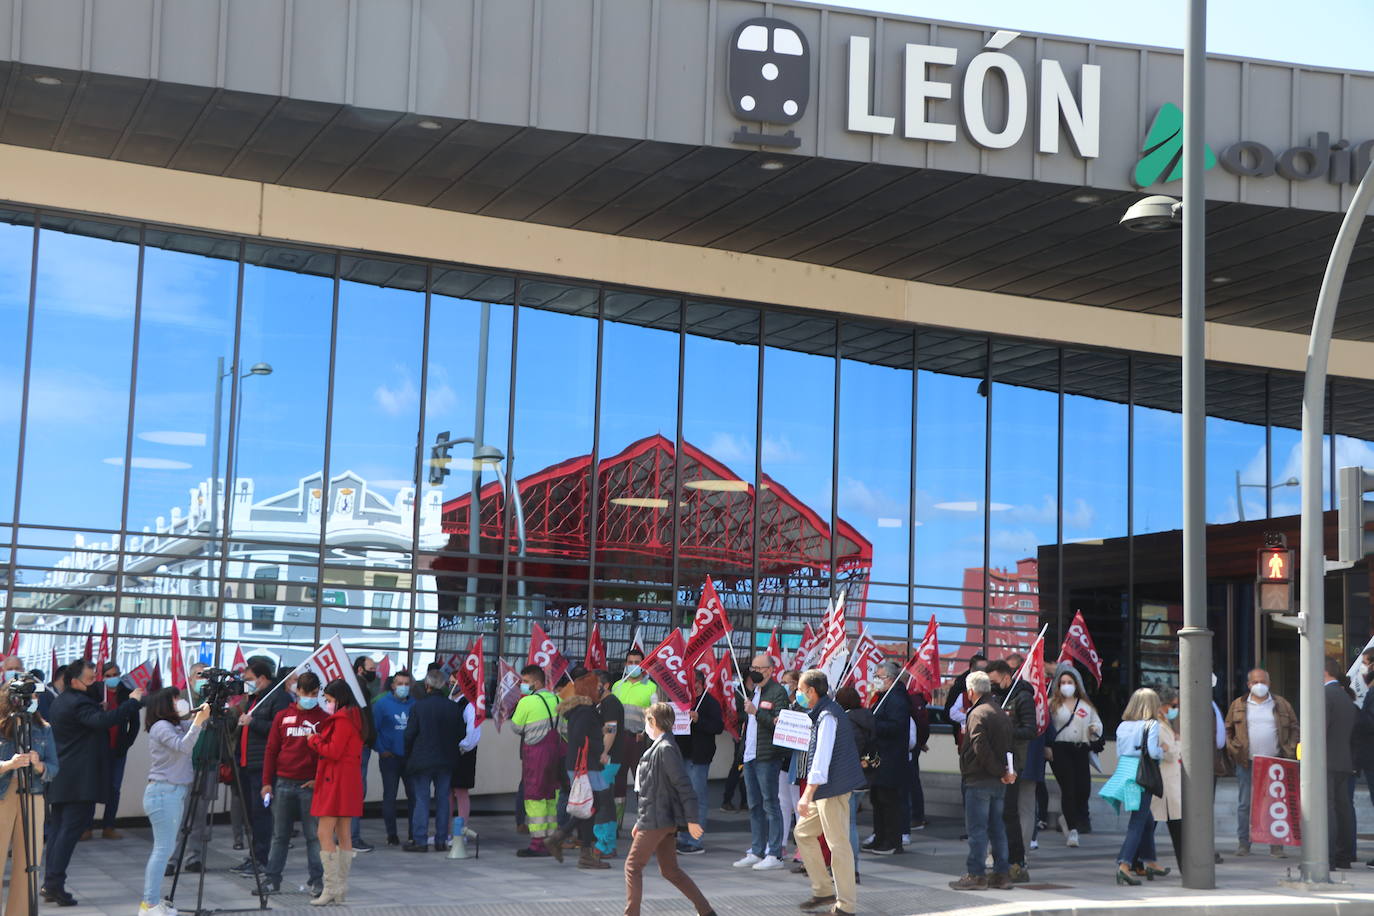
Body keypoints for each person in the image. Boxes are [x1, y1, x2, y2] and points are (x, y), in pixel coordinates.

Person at [42, 660, 143, 907]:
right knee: (67, 832)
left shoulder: (62, 701)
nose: (94, 683)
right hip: (78, 780)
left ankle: (50, 881)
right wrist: (132, 702)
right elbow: (102, 722)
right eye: (89, 680)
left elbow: (91, 721)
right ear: (74, 681)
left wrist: (100, 709)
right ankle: (54, 883)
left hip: (62, 777)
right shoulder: (78, 702)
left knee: (58, 831)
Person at [624, 703, 715, 916]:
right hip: (659, 818)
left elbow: (683, 786)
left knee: (632, 867)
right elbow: (653, 789)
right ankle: (706, 911)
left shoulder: (665, 749)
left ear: (653, 722)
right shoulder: (662, 746)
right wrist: (640, 821)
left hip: (657, 819)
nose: (645, 726)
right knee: (670, 870)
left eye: (647, 721)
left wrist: (692, 820)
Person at [793, 670, 865, 916]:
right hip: (826, 790)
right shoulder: (824, 712)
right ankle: (823, 890)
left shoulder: (827, 716)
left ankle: (846, 907)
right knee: (802, 833)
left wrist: (807, 794)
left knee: (838, 846)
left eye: (800, 690)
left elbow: (821, 760)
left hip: (831, 790)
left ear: (812, 692)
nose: (798, 695)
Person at [139, 688, 210, 916]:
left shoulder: (174, 725)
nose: (180, 702)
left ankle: (152, 902)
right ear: (165, 703)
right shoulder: (161, 727)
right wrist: (198, 721)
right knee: (163, 850)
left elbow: (195, 730)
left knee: (164, 848)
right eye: (176, 699)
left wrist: (203, 713)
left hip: (171, 792)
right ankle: (149, 904)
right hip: (163, 792)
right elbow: (184, 746)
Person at [261, 671, 327, 897]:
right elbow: (271, 750)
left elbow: (327, 756)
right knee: (280, 835)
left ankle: (317, 881)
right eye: (306, 693)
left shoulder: (324, 719)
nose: (310, 697)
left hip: (309, 786)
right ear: (297, 691)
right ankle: (272, 879)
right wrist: (266, 783)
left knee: (313, 837)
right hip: (283, 783)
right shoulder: (282, 716)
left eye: (315, 694)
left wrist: (319, 779)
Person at [948, 670, 1014, 891]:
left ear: (970, 691)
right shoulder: (999, 711)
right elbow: (1006, 747)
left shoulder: (978, 713)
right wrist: (1005, 772)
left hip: (980, 780)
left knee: (977, 830)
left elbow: (980, 748)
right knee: (997, 829)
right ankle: (1001, 874)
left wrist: (998, 771)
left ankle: (976, 874)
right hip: (997, 781)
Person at [307, 679, 370, 906]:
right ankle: (340, 888)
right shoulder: (355, 718)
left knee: (324, 833)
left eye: (329, 700)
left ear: (339, 698)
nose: (327, 704)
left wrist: (313, 740)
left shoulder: (343, 720)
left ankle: (331, 888)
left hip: (336, 781)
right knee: (344, 834)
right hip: (348, 781)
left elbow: (333, 751)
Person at [1224, 667, 1298, 858]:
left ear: (1269, 683)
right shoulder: (1238, 705)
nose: (1260, 686)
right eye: (1256, 682)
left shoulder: (1281, 704)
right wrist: (1234, 749)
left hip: (1274, 763)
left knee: (1275, 804)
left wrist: (1289, 749)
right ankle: (1244, 843)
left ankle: (1276, 845)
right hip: (1247, 763)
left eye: (1263, 682)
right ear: (1249, 684)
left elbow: (1294, 727)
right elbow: (1228, 730)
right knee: (1245, 804)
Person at [0, 678, 58, 916]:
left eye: (35, 696)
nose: (32, 701)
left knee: (29, 864)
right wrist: (8, 765)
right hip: (3, 795)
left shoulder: (44, 728)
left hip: (33, 795)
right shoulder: (3, 725)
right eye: (28, 696)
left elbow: (54, 767)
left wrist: (39, 765)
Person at [1100, 688, 1168, 886]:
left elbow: (1121, 752)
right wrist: (1163, 751)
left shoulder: (1122, 726)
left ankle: (1150, 860)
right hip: (1143, 775)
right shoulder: (1152, 725)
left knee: (1146, 820)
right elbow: (1153, 753)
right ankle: (1124, 864)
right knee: (1138, 822)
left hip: (1126, 773)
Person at [231, 660, 292, 877]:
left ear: (262, 677)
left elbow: (280, 730)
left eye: (248, 679)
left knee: (262, 814)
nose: (246, 684)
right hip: (247, 764)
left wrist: (252, 722)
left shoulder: (278, 697)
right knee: (251, 815)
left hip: (263, 766)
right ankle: (253, 856)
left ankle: (263, 859)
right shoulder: (254, 698)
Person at [548, 672, 611, 869]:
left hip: (582, 764)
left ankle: (576, 847)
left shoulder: (581, 710)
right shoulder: (585, 711)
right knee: (592, 806)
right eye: (597, 685)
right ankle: (567, 842)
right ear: (589, 689)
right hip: (584, 765)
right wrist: (598, 749)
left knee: (590, 807)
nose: (600, 688)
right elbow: (579, 738)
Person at [733, 653, 789, 870]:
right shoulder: (754, 691)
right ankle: (757, 850)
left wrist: (756, 713)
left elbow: (780, 723)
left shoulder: (778, 692)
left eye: (759, 667)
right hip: (750, 755)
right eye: (752, 667)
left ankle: (774, 853)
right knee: (754, 805)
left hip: (767, 756)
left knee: (770, 804)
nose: (754, 670)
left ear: (770, 670)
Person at [986, 658, 1037, 883]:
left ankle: (1017, 859)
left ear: (1007, 677)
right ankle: (1000, 858)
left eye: (995, 681)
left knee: (1009, 812)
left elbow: (1029, 730)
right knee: (996, 811)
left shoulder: (1023, 697)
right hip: (996, 760)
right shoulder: (996, 696)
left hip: (1013, 761)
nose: (993, 686)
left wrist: (1005, 729)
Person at [402, 669, 464, 853]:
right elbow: (461, 733)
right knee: (443, 799)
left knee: (421, 799)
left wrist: (409, 754)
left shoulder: (418, 707)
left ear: (427, 686)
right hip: (446, 760)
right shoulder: (453, 707)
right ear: (444, 685)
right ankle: (441, 840)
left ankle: (420, 841)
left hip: (422, 760)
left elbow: (409, 735)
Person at [1047, 663, 1101, 848]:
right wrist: (1047, 747)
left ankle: (1069, 818)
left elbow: (1097, 723)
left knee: (1083, 789)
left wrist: (1095, 730)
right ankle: (1072, 830)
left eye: (1070, 682)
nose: (1066, 685)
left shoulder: (1085, 705)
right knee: (1068, 789)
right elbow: (1045, 728)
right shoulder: (1052, 704)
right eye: (1063, 682)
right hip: (1060, 750)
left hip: (1081, 749)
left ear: (1076, 684)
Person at [511, 664, 562, 857]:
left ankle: (537, 843)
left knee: (534, 797)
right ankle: (550, 840)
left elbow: (516, 727)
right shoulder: (558, 698)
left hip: (535, 754)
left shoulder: (527, 702)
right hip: (555, 752)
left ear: (536, 682)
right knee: (551, 796)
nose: (522, 685)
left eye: (525, 682)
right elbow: (564, 728)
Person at [865, 661, 911, 856]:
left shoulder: (897, 698)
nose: (876, 681)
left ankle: (892, 841)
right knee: (878, 799)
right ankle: (880, 836)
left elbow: (896, 727)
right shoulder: (884, 697)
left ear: (890, 679)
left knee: (889, 801)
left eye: (879, 677)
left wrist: (872, 724)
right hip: (880, 757)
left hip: (890, 758)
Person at [676, 670, 722, 855]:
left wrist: (698, 720)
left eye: (695, 682)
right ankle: (683, 836)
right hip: (682, 755)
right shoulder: (681, 701)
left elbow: (718, 727)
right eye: (689, 681)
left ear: (702, 683)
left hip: (699, 758)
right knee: (684, 798)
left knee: (698, 798)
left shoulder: (710, 702)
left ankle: (695, 840)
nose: (692, 685)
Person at [612, 650, 658, 829]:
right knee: (617, 785)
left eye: (637, 662)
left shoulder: (651, 688)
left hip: (639, 742)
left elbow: (655, 716)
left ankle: (645, 825)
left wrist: (646, 733)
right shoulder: (617, 686)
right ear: (625, 665)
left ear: (643, 664)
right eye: (630, 662)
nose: (633, 665)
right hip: (617, 741)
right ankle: (615, 824)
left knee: (642, 785)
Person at [371, 669, 414, 846]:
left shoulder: (415, 705)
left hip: (411, 758)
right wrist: (381, 749)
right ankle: (392, 834)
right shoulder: (381, 705)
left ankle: (414, 833)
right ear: (393, 685)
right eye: (400, 684)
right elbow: (373, 730)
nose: (403, 687)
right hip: (389, 757)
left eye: (406, 684)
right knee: (390, 796)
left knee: (414, 797)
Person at [95, 661, 137, 841]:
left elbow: (134, 724)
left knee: (114, 788)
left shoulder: (126, 694)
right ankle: (87, 826)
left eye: (115, 674)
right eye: (108, 675)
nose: (112, 679)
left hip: (118, 749)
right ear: (102, 677)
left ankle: (109, 825)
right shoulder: (96, 693)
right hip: (97, 749)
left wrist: (126, 743)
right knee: (92, 786)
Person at [1325, 657, 1358, 870]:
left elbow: (1319, 729)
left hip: (1325, 760)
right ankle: (1344, 855)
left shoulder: (1325, 695)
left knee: (1326, 809)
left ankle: (1326, 857)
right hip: (1343, 759)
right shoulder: (1346, 696)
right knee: (1342, 808)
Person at [348, 654, 379, 853]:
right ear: (360, 669)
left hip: (360, 746)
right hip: (359, 747)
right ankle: (352, 837)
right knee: (356, 792)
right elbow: (361, 718)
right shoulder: (357, 688)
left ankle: (349, 836)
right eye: (371, 668)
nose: (374, 672)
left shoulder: (358, 686)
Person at [593, 669, 626, 858]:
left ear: (605, 686)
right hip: (610, 758)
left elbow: (611, 731)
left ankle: (603, 844)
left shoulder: (610, 704)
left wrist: (603, 753)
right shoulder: (604, 703)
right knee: (607, 802)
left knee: (602, 803)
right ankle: (608, 843)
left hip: (608, 759)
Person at [1152, 686, 1184, 873]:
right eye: (1173, 705)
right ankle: (1185, 866)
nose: (1175, 708)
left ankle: (1135, 863)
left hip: (1169, 781)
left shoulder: (1164, 723)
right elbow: (1170, 754)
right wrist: (1179, 742)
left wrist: (1173, 743)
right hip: (1164, 781)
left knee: (1152, 825)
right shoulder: (1158, 725)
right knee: (1170, 824)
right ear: (1164, 705)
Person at [450, 675, 481, 844]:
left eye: (454, 681)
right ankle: (447, 831)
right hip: (449, 753)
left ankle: (460, 832)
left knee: (461, 791)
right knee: (447, 792)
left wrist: (462, 746)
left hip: (463, 754)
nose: (451, 684)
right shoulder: (450, 701)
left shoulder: (470, 705)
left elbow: (473, 733)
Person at [943, 654, 988, 745]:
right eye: (980, 669)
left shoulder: (989, 686)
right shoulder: (960, 688)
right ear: (972, 669)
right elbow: (950, 713)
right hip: (965, 736)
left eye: (986, 670)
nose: (984, 673)